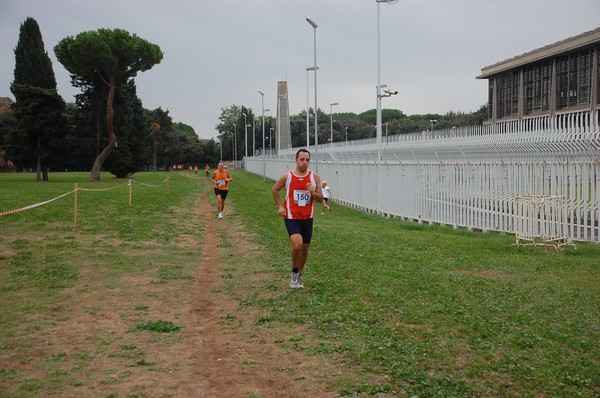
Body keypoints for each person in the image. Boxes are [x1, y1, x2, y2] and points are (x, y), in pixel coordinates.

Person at [272, 149, 330, 288]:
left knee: (304, 250)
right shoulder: (288, 177)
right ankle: (294, 271)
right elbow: (274, 190)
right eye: (302, 159)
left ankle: (298, 275)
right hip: (291, 217)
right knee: (297, 245)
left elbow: (321, 198)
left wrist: (312, 192)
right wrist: (280, 206)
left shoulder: (314, 177)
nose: (305, 163)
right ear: (296, 160)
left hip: (307, 218)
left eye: (307, 160)